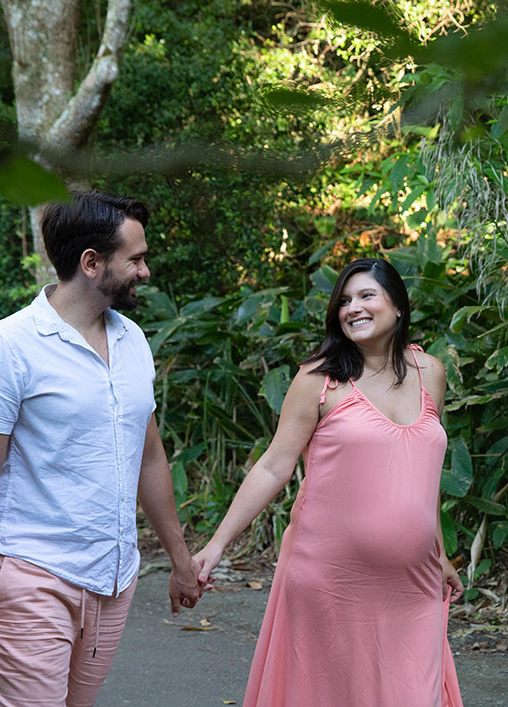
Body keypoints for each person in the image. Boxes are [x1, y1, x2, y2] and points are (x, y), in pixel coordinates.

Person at [0, 190, 203, 707]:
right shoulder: (6, 348)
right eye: (135, 258)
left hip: (113, 579)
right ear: (91, 263)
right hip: (32, 578)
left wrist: (180, 559)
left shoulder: (132, 340)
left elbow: (148, 456)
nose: (145, 271)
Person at [194, 257, 465, 707]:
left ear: (398, 306)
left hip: (410, 583)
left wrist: (438, 553)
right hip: (331, 581)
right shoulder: (320, 380)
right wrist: (217, 544)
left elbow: (422, 477)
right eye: (343, 300)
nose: (352, 308)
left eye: (365, 296)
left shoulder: (430, 372)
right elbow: (272, 466)